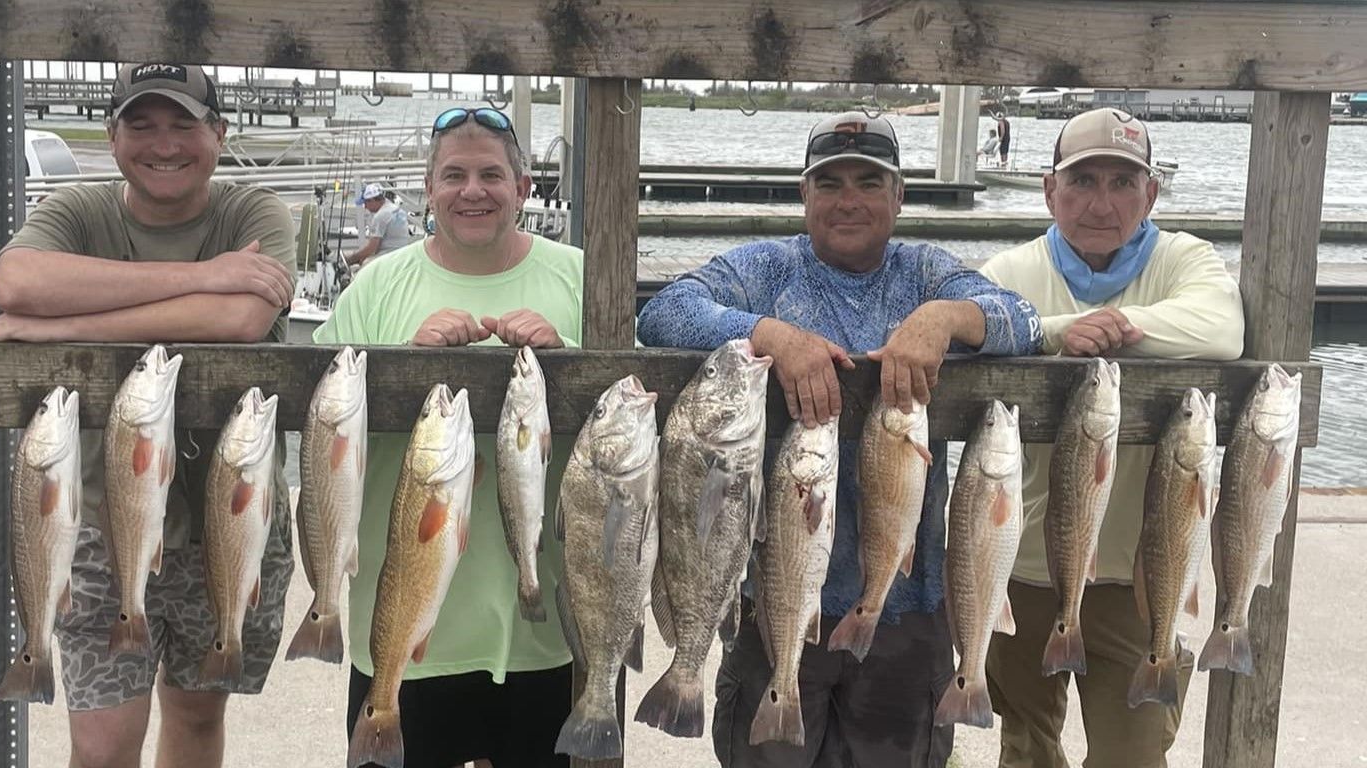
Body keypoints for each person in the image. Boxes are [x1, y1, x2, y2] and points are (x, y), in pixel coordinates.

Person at [636, 111, 1043, 768]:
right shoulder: (770, 268)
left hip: (910, 608)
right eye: (829, 184)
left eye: (868, 182)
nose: (848, 199)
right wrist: (768, 336)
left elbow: (1024, 321)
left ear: (899, 196)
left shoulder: (925, 273)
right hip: (780, 597)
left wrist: (947, 318)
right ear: (804, 195)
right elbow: (662, 312)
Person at [0, 62, 298, 768]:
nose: (164, 143)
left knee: (194, 717)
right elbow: (16, 279)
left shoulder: (252, 212)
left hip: (227, 513)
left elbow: (245, 318)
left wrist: (63, 327)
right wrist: (205, 275)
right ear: (113, 135)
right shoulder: (80, 211)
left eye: (183, 124)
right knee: (100, 745)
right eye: (142, 124)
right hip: (97, 517)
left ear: (218, 134)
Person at [312, 106, 581, 767]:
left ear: (523, 188)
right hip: (403, 612)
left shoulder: (579, 274)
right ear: (428, 190)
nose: (472, 191)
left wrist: (566, 355)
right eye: (453, 175)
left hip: (540, 622)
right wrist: (404, 364)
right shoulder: (377, 284)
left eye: (492, 174)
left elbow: (636, 405)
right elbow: (319, 420)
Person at [978, 107, 1244, 768]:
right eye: (1083, 181)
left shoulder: (1186, 258)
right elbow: (975, 321)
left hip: (1138, 576)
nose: (1103, 202)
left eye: (1123, 183)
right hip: (1025, 570)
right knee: (1027, 748)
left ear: (1151, 193)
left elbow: (1219, 329)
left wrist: (1107, 324)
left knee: (1134, 754)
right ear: (1050, 190)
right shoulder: (1009, 271)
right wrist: (1056, 333)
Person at [345, 182, 417, 269]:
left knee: (363, 268)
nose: (365, 207)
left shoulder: (381, 216)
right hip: (402, 254)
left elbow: (372, 248)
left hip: (389, 256)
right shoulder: (395, 209)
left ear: (372, 200)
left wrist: (352, 258)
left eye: (365, 203)